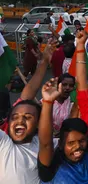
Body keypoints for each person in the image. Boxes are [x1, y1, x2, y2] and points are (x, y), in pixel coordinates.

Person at [37, 33, 88, 183]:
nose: (77, 147)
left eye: (82, 141)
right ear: (61, 144)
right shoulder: (52, 164)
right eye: (70, 143)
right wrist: (48, 102)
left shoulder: (84, 150)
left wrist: (81, 47)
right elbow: (45, 142)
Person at [0, 42, 55, 183]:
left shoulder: (47, 143)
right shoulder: (4, 143)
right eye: (15, 117)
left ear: (39, 124)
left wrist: (48, 102)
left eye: (28, 117)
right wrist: (43, 63)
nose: (20, 120)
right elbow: (28, 92)